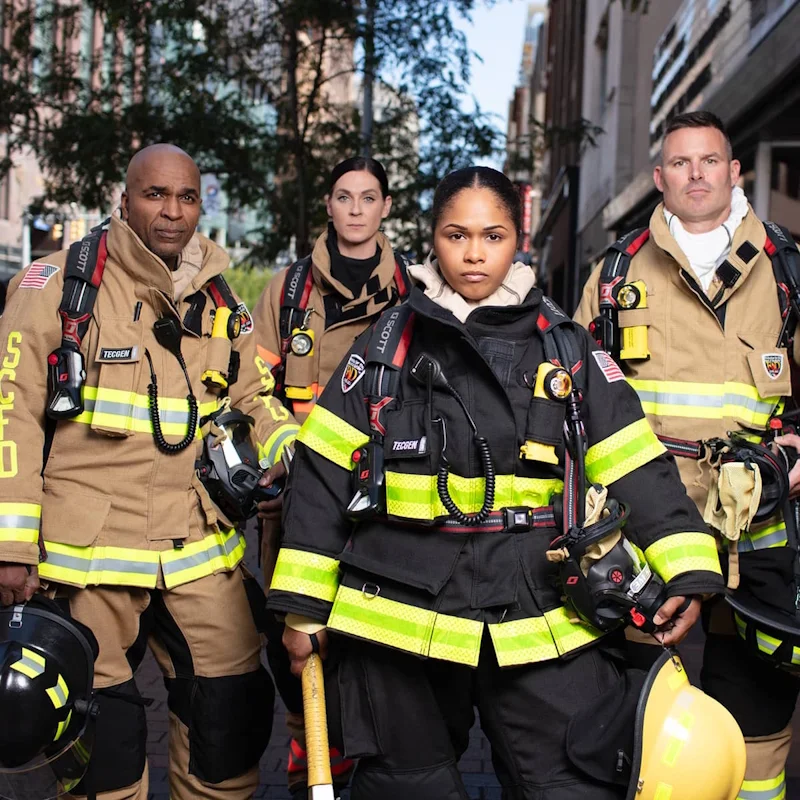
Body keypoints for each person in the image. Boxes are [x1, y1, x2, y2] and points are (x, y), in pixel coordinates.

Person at [267, 166, 725, 799]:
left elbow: (633, 462)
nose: (475, 253)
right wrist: (303, 609)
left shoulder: (566, 347)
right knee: (407, 787)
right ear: (433, 238)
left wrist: (688, 570)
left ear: (519, 239)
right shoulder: (384, 348)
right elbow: (319, 479)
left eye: (493, 235)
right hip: (399, 614)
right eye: (457, 235)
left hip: (541, 606)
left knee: (572, 783)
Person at [0, 144, 298, 799]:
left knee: (232, 715)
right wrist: (11, 548)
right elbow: (12, 416)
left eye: (186, 197)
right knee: (96, 736)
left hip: (200, 546)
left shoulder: (221, 298)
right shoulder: (58, 288)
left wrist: (292, 453)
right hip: (91, 554)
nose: (172, 211)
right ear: (125, 198)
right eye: (155, 195)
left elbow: (253, 397)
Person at [575, 110, 800, 800]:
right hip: (649, 522)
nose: (696, 174)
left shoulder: (788, 267)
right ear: (659, 178)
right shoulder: (615, 271)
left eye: (710, 161)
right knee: (645, 697)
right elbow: (575, 397)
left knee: (757, 705)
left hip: (757, 524)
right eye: (680, 163)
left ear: (736, 172)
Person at [252, 155, 408, 797]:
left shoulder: (413, 292)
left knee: (371, 639)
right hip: (296, 497)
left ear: (385, 208)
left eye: (368, 198)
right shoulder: (288, 292)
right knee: (291, 635)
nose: (355, 209)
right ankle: (306, 756)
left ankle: (363, 761)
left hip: (385, 495)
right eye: (344, 197)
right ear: (328, 205)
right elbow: (251, 386)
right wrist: (284, 446)